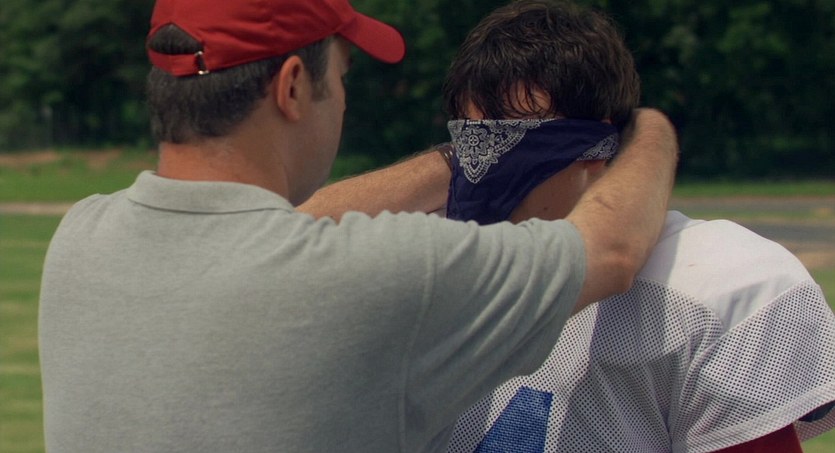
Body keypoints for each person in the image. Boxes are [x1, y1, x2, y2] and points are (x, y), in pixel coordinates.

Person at [38, 0, 678, 452]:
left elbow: (270, 232)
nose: (344, 100)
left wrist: (477, 149)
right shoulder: (378, 274)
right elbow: (611, 249)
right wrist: (649, 127)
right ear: (292, 87)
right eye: (342, 77)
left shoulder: (82, 238)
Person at [430, 1, 835, 452]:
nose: (486, 168)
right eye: (472, 143)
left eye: (516, 142)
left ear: (596, 145)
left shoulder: (708, 288)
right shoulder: (427, 270)